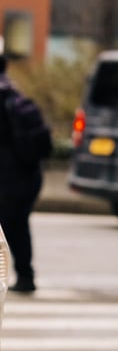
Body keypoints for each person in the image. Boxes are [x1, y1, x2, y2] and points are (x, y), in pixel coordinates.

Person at [0, 52, 53, 293]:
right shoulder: (14, 94)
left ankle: (25, 277)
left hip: (11, 178)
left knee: (14, 226)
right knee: (17, 226)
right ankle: (25, 275)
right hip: (26, 175)